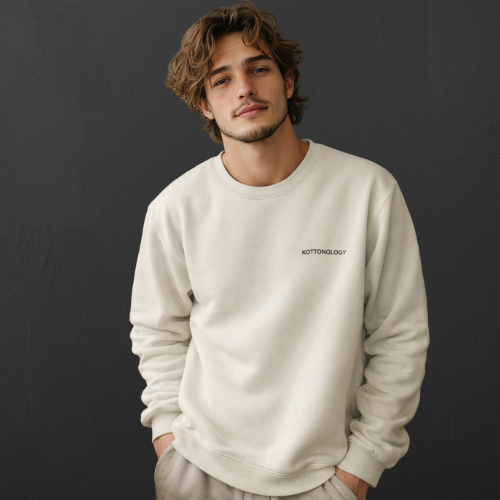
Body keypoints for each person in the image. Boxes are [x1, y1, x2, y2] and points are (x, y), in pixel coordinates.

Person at [129, 1, 430, 499]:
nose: (244, 88)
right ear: (205, 104)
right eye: (221, 79)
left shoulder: (367, 192)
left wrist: (362, 466)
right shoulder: (175, 209)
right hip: (198, 470)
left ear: (287, 82)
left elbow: (400, 336)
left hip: (324, 479)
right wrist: (168, 439)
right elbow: (156, 331)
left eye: (258, 69)